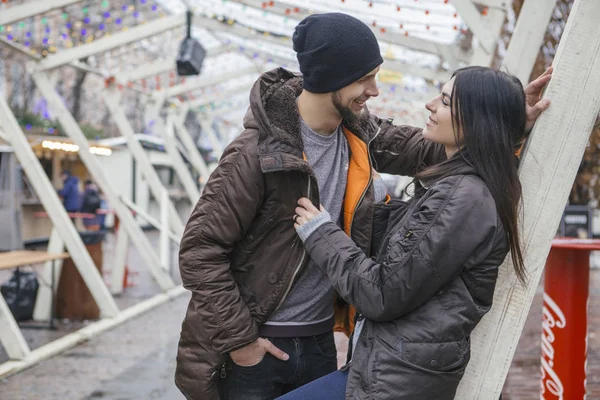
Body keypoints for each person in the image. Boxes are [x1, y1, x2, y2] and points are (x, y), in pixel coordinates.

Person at [174, 12, 551, 400]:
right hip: (258, 348)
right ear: (330, 78)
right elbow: (199, 252)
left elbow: (435, 149)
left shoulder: (362, 133)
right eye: (363, 78)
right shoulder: (254, 155)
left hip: (319, 340)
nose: (374, 90)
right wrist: (242, 342)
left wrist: (500, 118)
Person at [281, 66, 538, 400]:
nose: (430, 105)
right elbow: (404, 250)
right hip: (390, 371)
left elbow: (383, 293)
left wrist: (320, 233)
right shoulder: (460, 188)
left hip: (394, 382)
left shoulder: (462, 198)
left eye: (445, 101)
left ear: (478, 120)